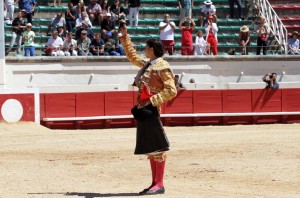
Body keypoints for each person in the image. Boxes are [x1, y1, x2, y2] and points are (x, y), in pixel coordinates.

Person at [118, 22, 177, 195]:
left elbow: (171, 90)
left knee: (158, 147)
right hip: (145, 110)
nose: (144, 50)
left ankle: (159, 184)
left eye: (146, 47)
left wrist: (152, 101)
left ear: (151, 49)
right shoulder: (149, 64)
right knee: (152, 148)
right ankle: (155, 183)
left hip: (153, 110)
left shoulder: (162, 67)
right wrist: (124, 38)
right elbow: (133, 57)